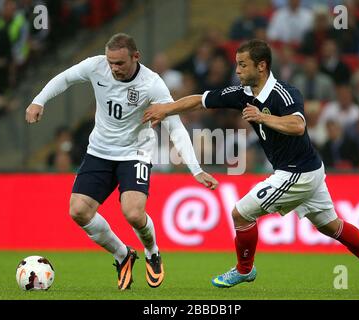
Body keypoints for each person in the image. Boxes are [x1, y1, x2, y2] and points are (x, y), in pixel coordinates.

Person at [143, 39, 359, 292]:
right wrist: (166, 109)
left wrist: (262, 116)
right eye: (237, 65)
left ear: (261, 66)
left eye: (243, 65)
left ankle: (245, 270)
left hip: (298, 173)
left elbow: (298, 126)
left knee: (240, 214)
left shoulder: (284, 93)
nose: (238, 71)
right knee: (332, 226)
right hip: (308, 169)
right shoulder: (242, 93)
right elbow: (201, 100)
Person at [25, 33, 218, 290]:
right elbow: (66, 77)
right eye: (111, 62)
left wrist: (196, 169)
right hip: (99, 151)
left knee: (134, 213)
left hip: (134, 153)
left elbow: (175, 126)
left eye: (120, 63)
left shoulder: (152, 84)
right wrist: (39, 100)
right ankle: (123, 254)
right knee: (78, 211)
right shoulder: (96, 66)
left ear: (135, 57)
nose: (114, 68)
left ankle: (152, 251)